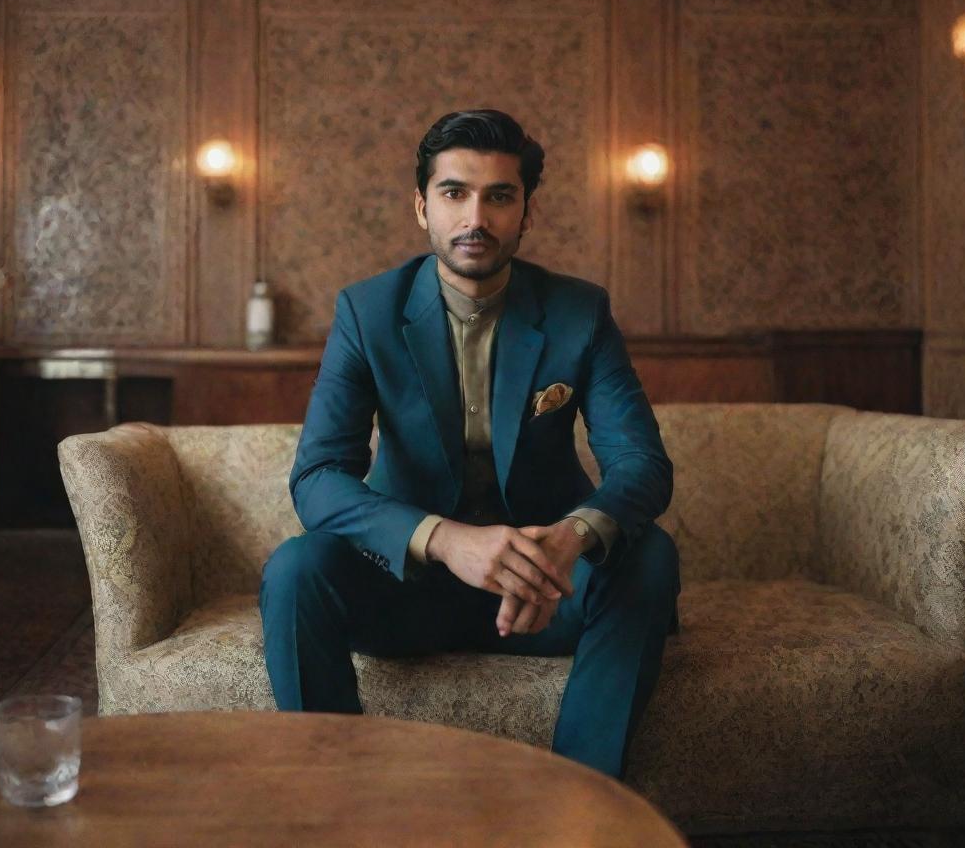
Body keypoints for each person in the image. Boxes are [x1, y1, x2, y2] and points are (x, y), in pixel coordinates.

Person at [260, 109, 680, 780]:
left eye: (499, 196)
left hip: (546, 590)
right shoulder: (367, 312)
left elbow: (643, 465)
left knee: (650, 557)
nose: (475, 217)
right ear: (420, 206)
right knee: (295, 570)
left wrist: (568, 540)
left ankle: (578, 806)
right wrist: (447, 540)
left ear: (526, 212)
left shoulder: (579, 312)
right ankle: (334, 804)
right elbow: (318, 478)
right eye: (454, 192)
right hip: (410, 586)